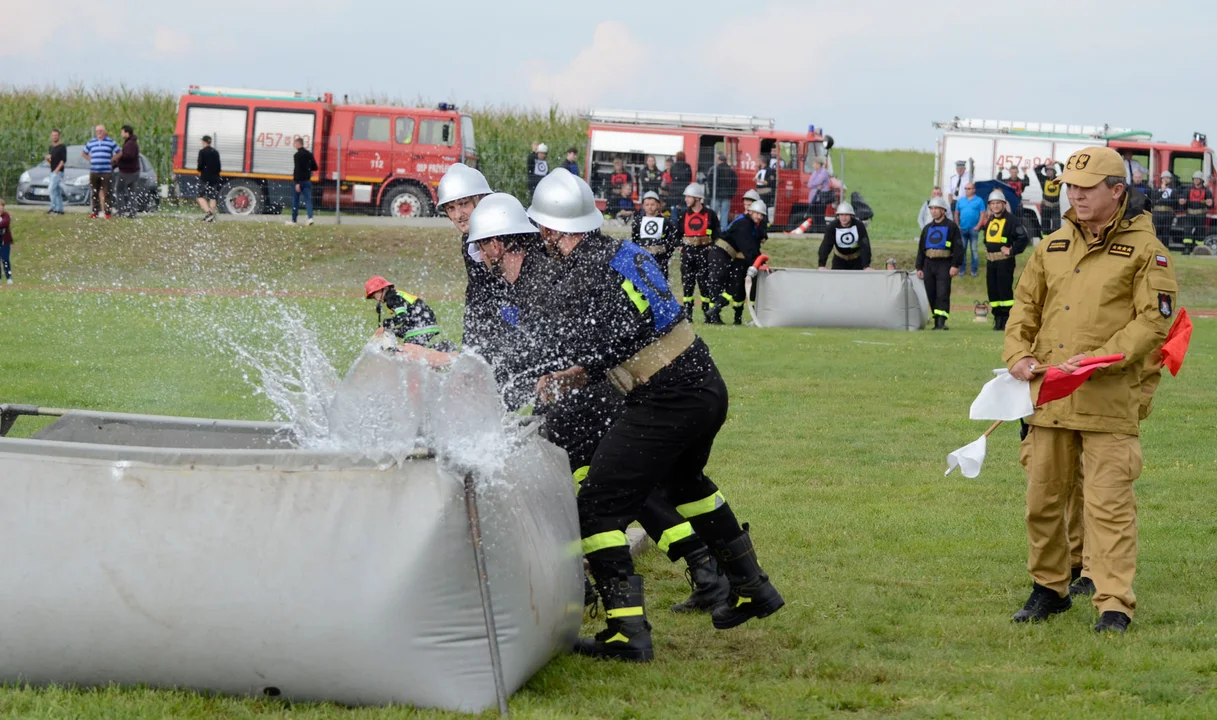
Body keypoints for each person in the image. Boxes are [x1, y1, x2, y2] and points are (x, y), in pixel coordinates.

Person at [521, 169, 784, 661]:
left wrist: (560, 371)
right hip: (704, 383)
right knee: (687, 485)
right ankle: (754, 588)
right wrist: (582, 366)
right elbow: (632, 329)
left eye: (542, 231)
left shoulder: (584, 271)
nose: (541, 240)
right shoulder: (623, 252)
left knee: (597, 505)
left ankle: (627, 635)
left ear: (556, 230)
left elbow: (602, 340)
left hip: (666, 397)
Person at [460, 192, 732, 616]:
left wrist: (506, 376)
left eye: (465, 212)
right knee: (614, 490)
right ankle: (702, 568)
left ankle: (658, 583)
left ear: (498, 242)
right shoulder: (522, 270)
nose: (470, 239)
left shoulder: (542, 273)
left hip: (589, 397)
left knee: (602, 493)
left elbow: (562, 346)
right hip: (572, 402)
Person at [1004, 146, 1177, 634]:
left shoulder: (1148, 251)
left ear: (1116, 192)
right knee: (1043, 500)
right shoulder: (1051, 246)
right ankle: (1049, 589)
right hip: (1049, 398)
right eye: (1070, 187)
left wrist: (1100, 360)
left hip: (1108, 399)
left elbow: (1154, 322)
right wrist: (1017, 355)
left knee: (1109, 507)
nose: (1074, 195)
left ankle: (1114, 604)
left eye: (1086, 188)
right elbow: (1023, 307)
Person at [435, 163, 503, 355]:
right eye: (451, 208)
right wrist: (469, 351)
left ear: (481, 200)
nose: (458, 215)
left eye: (464, 204)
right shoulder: (468, 241)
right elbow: (477, 296)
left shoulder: (507, 233)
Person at [709, 200, 767, 325]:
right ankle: (713, 313)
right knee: (720, 283)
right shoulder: (744, 225)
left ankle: (714, 311)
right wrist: (757, 263)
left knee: (730, 286)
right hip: (721, 253)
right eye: (757, 213)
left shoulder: (748, 224)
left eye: (762, 215)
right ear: (750, 212)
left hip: (724, 254)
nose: (760, 217)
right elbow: (747, 248)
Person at [671, 182, 722, 321]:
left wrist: (712, 245)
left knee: (705, 283)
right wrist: (680, 245)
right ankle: (688, 313)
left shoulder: (710, 214)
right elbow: (675, 234)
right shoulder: (683, 215)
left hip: (705, 252)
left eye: (689, 197)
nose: (686, 199)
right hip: (688, 253)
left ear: (698, 198)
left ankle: (707, 313)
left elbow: (718, 233)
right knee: (687, 283)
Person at [981, 188, 1029, 330]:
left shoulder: (1011, 220)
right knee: (993, 291)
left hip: (1004, 262)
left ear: (1004, 204)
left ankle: (1006, 320)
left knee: (1004, 291)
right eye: (993, 203)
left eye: (998, 203)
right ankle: (997, 319)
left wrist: (1012, 250)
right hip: (991, 262)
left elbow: (1023, 238)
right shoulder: (990, 219)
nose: (995, 206)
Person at [915, 196, 963, 330]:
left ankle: (941, 321)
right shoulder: (927, 228)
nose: (934, 211)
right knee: (931, 292)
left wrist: (955, 265)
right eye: (932, 208)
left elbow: (958, 247)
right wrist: (919, 266)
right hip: (928, 264)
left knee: (942, 292)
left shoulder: (951, 227)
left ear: (943, 210)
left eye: (937, 208)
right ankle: (936, 319)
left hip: (944, 264)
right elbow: (921, 248)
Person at [363, 276, 450, 349]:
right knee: (414, 353)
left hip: (420, 326)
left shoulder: (392, 299)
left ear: (384, 289)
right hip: (425, 323)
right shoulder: (396, 294)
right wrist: (394, 331)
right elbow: (408, 318)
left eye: (375, 295)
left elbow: (402, 317)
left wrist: (385, 325)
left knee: (408, 352)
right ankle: (440, 350)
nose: (377, 299)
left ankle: (443, 349)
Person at [631, 191, 680, 279]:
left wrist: (665, 255)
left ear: (658, 205)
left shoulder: (665, 222)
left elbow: (672, 239)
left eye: (652, 204)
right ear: (643, 206)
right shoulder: (638, 221)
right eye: (647, 204)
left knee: (660, 280)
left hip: (660, 258)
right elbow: (634, 238)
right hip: (642, 257)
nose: (650, 207)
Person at [818, 202, 872, 270]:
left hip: (857, 261)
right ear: (838, 216)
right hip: (839, 260)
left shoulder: (859, 226)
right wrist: (821, 265)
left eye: (846, 215)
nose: (844, 218)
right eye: (841, 215)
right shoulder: (832, 227)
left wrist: (866, 266)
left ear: (851, 215)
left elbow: (864, 245)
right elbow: (826, 245)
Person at [82, 125, 119, 219]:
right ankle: (95, 211)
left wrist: (112, 160)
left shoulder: (110, 142)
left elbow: (119, 152)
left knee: (107, 192)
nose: (99, 132)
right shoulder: (92, 142)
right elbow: (84, 152)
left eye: (101, 131)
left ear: (104, 132)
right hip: (94, 170)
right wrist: (90, 159)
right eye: (97, 131)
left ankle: (107, 212)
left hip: (106, 171)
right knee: (94, 192)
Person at [954, 181, 985, 277]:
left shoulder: (979, 201)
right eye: (966, 188)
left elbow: (982, 214)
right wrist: (957, 225)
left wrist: (978, 226)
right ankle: (962, 270)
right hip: (962, 229)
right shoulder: (960, 200)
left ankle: (974, 271)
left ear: (974, 190)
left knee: (974, 250)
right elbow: (956, 213)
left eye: (969, 188)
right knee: (962, 250)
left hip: (973, 229)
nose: (967, 190)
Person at [1177, 170, 1211, 253]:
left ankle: (1199, 249)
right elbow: (1183, 200)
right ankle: (1187, 248)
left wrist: (1210, 203)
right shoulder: (1187, 190)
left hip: (1201, 214)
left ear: (1201, 180)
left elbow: (1210, 203)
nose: (1196, 180)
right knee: (1187, 230)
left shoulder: (1207, 191)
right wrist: (1182, 202)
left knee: (1200, 231)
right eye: (1195, 179)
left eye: (1198, 179)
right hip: (1190, 213)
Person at [288, 137, 318, 226]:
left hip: (299, 181)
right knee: (308, 200)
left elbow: (297, 170)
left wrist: (297, 182)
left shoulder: (297, 155)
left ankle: (294, 220)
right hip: (307, 181)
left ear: (298, 144)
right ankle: (310, 218)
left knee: (295, 201)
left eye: (295, 143)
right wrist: (307, 168)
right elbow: (315, 167)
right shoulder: (309, 154)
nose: (294, 145)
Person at [113, 125, 141, 218]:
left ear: (126, 132)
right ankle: (133, 212)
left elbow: (128, 156)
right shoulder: (132, 143)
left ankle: (121, 211)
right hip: (134, 171)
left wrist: (119, 157)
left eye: (122, 132)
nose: (121, 134)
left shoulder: (130, 144)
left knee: (119, 191)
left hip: (127, 172)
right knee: (132, 193)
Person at [196, 135, 223, 222]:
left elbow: (200, 165)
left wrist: (200, 170)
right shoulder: (215, 152)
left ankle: (209, 212)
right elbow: (219, 167)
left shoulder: (202, 152)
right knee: (212, 196)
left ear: (204, 142)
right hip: (214, 177)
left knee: (200, 196)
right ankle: (211, 216)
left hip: (205, 177)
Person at [1035, 161, 1063, 235]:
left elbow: (1065, 172)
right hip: (1045, 206)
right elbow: (1037, 169)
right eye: (1047, 170)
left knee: (1056, 227)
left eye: (1051, 170)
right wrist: (1045, 165)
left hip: (1055, 207)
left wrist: (1058, 163)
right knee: (1045, 226)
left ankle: (1055, 241)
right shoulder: (1043, 179)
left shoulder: (1059, 179)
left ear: (1054, 171)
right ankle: (1045, 242)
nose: (1049, 172)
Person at [707, 152, 737, 222]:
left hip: (715, 195)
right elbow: (735, 184)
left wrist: (711, 193)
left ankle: (712, 230)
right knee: (724, 214)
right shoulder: (731, 170)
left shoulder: (714, 169)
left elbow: (709, 182)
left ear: (718, 160)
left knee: (713, 215)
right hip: (727, 196)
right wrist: (731, 194)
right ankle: (723, 230)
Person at [1150, 171, 1177, 243]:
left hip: (1167, 213)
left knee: (1166, 232)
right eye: (1164, 178)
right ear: (1161, 179)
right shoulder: (1156, 189)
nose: (1165, 179)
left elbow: (1174, 202)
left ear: (1171, 180)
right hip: (1157, 213)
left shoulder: (1173, 190)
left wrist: (1161, 201)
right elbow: (1153, 199)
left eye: (1167, 178)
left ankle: (1165, 248)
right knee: (1156, 231)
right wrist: (1161, 191)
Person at [45, 129, 66, 215]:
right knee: (56, 191)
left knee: (51, 190)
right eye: (53, 135)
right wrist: (48, 159)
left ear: (59, 136)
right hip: (52, 171)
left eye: (56, 135)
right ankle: (60, 209)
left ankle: (53, 208)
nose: (54, 137)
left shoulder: (62, 147)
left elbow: (63, 160)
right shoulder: (51, 147)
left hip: (58, 171)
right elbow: (51, 161)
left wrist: (57, 171)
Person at [0, 199, 13, 284]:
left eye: (1, 206)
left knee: (5, 260)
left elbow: (4, 223)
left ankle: (9, 277)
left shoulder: (6, 216)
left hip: (4, 242)